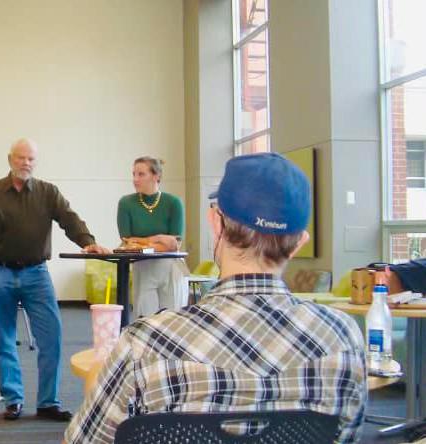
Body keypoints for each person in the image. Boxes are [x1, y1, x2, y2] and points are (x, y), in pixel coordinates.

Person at [64, 153, 367, 444]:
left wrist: (95, 382)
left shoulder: (145, 344)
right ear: (300, 242)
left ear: (215, 223)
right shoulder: (344, 340)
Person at [0, 138, 111, 422]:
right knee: (5, 338)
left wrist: (88, 242)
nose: (26, 163)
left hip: (37, 274)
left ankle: (48, 402)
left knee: (52, 338)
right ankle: (13, 400)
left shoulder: (48, 192)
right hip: (1, 273)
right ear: (10, 159)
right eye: (21, 158)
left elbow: (69, 219)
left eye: (31, 159)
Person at [117, 156, 188, 316]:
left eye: (141, 174)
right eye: (133, 174)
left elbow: (175, 244)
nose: (135, 179)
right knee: (146, 321)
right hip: (143, 267)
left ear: (156, 176)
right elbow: (128, 243)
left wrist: (142, 242)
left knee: (173, 320)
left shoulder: (174, 203)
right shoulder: (126, 203)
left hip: (171, 267)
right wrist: (160, 239)